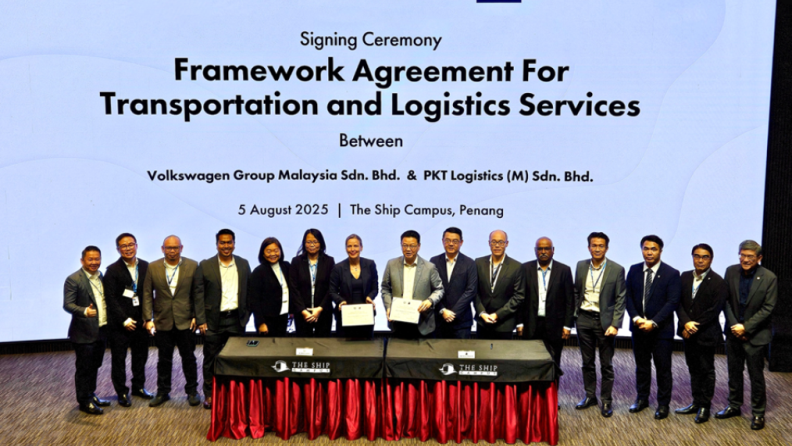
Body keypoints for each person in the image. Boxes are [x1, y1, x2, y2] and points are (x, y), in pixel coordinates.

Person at [715, 240, 777, 431]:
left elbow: (768, 307)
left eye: (750, 256)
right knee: (734, 372)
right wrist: (735, 326)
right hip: (733, 333)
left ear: (759, 258)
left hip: (755, 336)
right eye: (742, 255)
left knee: (756, 376)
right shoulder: (730, 271)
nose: (745, 259)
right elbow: (725, 300)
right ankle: (734, 405)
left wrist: (746, 328)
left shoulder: (769, 277)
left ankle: (758, 413)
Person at [142, 235, 205, 408]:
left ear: (181, 248)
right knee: (163, 359)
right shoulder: (153, 267)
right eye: (168, 248)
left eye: (175, 247)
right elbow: (147, 293)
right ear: (162, 249)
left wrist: (196, 316)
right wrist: (148, 319)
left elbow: (197, 293)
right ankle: (163, 392)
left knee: (189, 358)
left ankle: (192, 391)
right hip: (162, 320)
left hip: (186, 320)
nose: (172, 251)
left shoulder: (192, 265)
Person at [625, 235, 681, 420]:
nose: (649, 252)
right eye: (646, 248)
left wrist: (653, 322)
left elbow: (672, 302)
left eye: (653, 249)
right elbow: (628, 297)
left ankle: (663, 404)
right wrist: (636, 318)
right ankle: (642, 399)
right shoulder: (633, 270)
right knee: (642, 366)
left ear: (660, 251)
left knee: (663, 369)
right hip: (638, 328)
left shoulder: (671, 273)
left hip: (661, 331)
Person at [573, 232, 626, 418]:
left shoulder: (616, 269)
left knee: (606, 364)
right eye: (594, 245)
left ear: (607, 248)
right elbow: (576, 292)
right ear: (589, 247)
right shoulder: (581, 266)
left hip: (605, 323)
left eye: (601, 246)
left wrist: (615, 324)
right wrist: (575, 315)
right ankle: (590, 396)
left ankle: (606, 400)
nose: (597, 249)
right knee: (587, 362)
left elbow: (620, 299)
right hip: (583, 319)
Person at [197, 229, 251, 410]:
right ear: (217, 244)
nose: (226, 246)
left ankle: (234, 393)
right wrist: (201, 320)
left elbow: (249, 292)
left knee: (236, 358)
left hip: (236, 319)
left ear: (234, 244)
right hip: (213, 321)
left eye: (229, 242)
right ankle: (210, 394)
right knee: (210, 359)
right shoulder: (205, 265)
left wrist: (246, 316)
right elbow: (198, 294)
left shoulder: (243, 264)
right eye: (222, 242)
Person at [674, 243, 727, 424]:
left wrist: (693, 326)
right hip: (687, 332)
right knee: (693, 368)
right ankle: (695, 402)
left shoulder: (718, 281)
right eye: (697, 256)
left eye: (705, 257)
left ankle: (705, 406)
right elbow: (678, 302)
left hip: (706, 333)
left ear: (711, 259)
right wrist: (685, 322)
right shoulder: (684, 276)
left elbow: (714, 310)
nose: (700, 260)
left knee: (706, 370)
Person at [103, 233, 153, 407]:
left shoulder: (146, 266)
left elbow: (149, 294)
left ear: (136, 246)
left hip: (140, 322)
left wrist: (148, 318)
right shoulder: (112, 270)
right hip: (120, 324)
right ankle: (122, 392)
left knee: (141, 356)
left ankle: (138, 387)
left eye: (131, 244)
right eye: (123, 246)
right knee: (119, 360)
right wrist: (124, 319)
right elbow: (110, 299)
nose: (128, 248)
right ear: (118, 249)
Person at [517, 237, 574, 388]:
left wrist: (567, 325)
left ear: (553, 250)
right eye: (540, 249)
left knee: (553, 362)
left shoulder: (564, 270)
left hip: (555, 325)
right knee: (529, 362)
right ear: (535, 251)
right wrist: (519, 322)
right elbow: (520, 298)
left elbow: (570, 300)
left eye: (547, 248)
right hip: (530, 324)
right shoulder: (525, 268)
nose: (543, 252)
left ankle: (552, 396)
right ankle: (531, 396)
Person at [63, 246, 111, 415]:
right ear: (82, 260)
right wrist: (84, 311)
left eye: (97, 259)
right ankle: (84, 401)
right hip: (83, 333)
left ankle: (91, 394)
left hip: (101, 330)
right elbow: (67, 304)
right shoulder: (73, 279)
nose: (94, 262)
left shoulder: (101, 276)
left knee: (95, 365)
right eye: (90, 259)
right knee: (84, 368)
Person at [382, 230, 444, 339]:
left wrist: (430, 300)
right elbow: (385, 288)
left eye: (412, 246)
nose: (408, 249)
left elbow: (439, 289)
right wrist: (388, 306)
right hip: (398, 321)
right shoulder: (391, 264)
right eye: (405, 245)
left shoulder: (429, 267)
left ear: (419, 246)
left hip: (422, 322)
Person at [474, 230, 526, 340]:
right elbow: (474, 291)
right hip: (482, 322)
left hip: (504, 324)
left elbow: (518, 296)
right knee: (481, 351)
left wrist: (497, 314)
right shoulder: (478, 263)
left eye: (501, 242)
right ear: (489, 243)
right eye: (494, 242)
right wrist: (482, 312)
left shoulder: (516, 266)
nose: (497, 245)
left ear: (507, 243)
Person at [430, 227, 478, 339]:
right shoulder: (434, 261)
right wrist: (442, 310)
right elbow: (431, 288)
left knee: (461, 351)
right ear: (443, 241)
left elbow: (471, 291)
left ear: (461, 242)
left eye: (455, 241)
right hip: (439, 321)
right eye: (447, 240)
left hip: (462, 322)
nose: (451, 244)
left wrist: (452, 313)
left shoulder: (470, 263)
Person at [328, 234, 378, 338]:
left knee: (366, 346)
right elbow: (332, 291)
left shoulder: (370, 264)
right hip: (345, 315)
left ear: (361, 247)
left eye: (355, 246)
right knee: (344, 347)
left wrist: (370, 297)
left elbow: (375, 288)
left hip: (365, 314)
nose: (352, 249)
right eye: (349, 246)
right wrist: (340, 301)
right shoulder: (338, 267)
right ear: (346, 248)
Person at [289, 229, 335, 337]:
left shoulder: (329, 261)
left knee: (323, 344)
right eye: (309, 242)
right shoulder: (296, 261)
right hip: (302, 314)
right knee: (303, 345)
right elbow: (293, 288)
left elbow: (332, 287)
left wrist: (320, 308)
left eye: (315, 241)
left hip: (323, 312)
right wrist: (303, 310)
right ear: (304, 243)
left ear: (321, 243)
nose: (312, 245)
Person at [249, 237, 294, 337]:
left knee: (282, 345)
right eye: (268, 251)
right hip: (267, 320)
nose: (273, 254)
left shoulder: (286, 266)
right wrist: (261, 323)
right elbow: (254, 300)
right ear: (263, 253)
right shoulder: (258, 271)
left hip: (283, 317)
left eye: (276, 250)